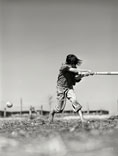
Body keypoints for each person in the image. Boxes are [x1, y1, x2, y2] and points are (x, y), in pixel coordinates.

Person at [49, 54, 91, 123]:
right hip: (61, 88)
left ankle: (82, 119)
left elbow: (76, 78)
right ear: (69, 63)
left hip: (69, 88)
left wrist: (83, 75)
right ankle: (52, 112)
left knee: (74, 101)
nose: (74, 65)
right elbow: (73, 70)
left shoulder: (74, 68)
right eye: (73, 64)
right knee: (59, 109)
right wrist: (87, 70)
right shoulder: (64, 67)